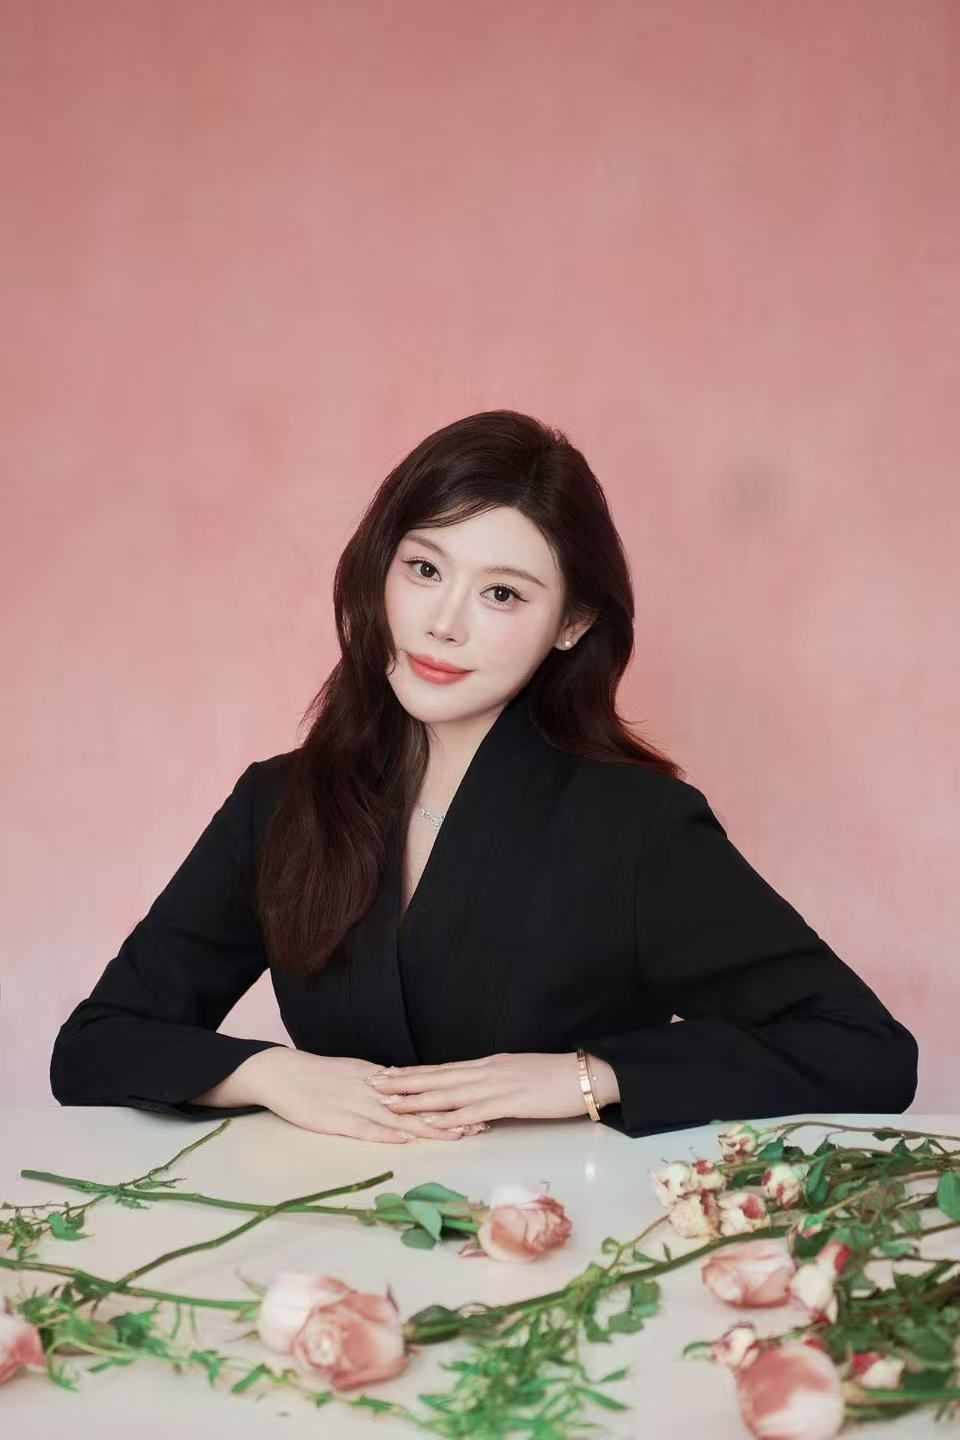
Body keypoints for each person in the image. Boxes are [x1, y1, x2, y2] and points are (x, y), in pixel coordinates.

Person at [49, 409, 919, 1143]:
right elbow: (94, 1045)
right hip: (325, 1245)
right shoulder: (277, 804)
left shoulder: (638, 827)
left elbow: (865, 1050)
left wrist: (588, 1077)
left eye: (502, 593)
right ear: (380, 570)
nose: (444, 624)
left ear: (572, 622)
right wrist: (274, 1075)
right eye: (425, 569)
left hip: (571, 1253)